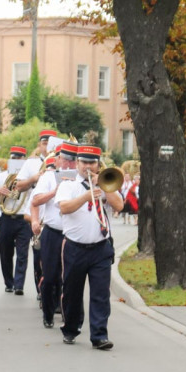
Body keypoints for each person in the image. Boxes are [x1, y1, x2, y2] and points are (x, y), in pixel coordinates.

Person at [56, 143, 123, 350]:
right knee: (72, 292)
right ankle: (71, 328)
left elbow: (119, 206)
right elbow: (64, 208)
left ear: (98, 165)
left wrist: (103, 187)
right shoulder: (68, 185)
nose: (88, 166)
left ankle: (99, 335)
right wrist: (86, 196)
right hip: (75, 248)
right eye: (84, 162)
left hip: (100, 247)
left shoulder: (105, 184)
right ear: (77, 163)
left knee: (100, 294)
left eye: (92, 163)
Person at [30, 152, 66, 328]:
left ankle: (69, 315)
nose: (68, 162)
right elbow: (35, 200)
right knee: (50, 276)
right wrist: (54, 192)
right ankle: (48, 312)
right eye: (65, 158)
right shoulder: (49, 177)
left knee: (70, 277)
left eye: (73, 159)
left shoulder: (83, 179)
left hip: (73, 235)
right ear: (58, 160)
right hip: (52, 232)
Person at [0, 145, 32, 294]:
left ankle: (19, 285)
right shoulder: (3, 176)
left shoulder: (29, 176)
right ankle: (9, 282)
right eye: (14, 158)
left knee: (22, 253)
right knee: (5, 252)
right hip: (7, 217)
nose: (16, 160)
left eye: (19, 158)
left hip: (23, 218)